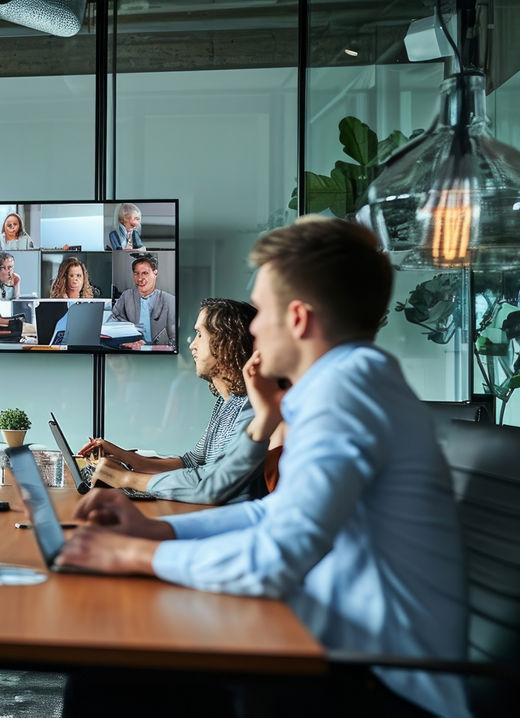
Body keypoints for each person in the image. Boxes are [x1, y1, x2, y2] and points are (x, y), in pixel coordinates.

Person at [58, 218, 469, 717]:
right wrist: (157, 530)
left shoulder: (346, 392)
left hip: (382, 686)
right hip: (335, 646)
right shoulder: (347, 381)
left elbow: (275, 557)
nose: (252, 329)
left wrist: (132, 555)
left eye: (262, 311)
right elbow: (272, 515)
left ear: (297, 318)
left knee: (107, 676)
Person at [80, 298, 264, 504]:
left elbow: (212, 482)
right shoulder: (227, 402)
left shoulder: (252, 406)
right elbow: (191, 463)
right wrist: (122, 456)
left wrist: (128, 478)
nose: (192, 345)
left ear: (226, 344)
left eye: (200, 334)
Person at [109, 253, 176, 348]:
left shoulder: (170, 301)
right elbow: (112, 326)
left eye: (145, 273)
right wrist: (127, 343)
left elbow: (175, 341)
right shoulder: (126, 296)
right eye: (136, 273)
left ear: (155, 273)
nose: (140, 279)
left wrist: (155, 349)